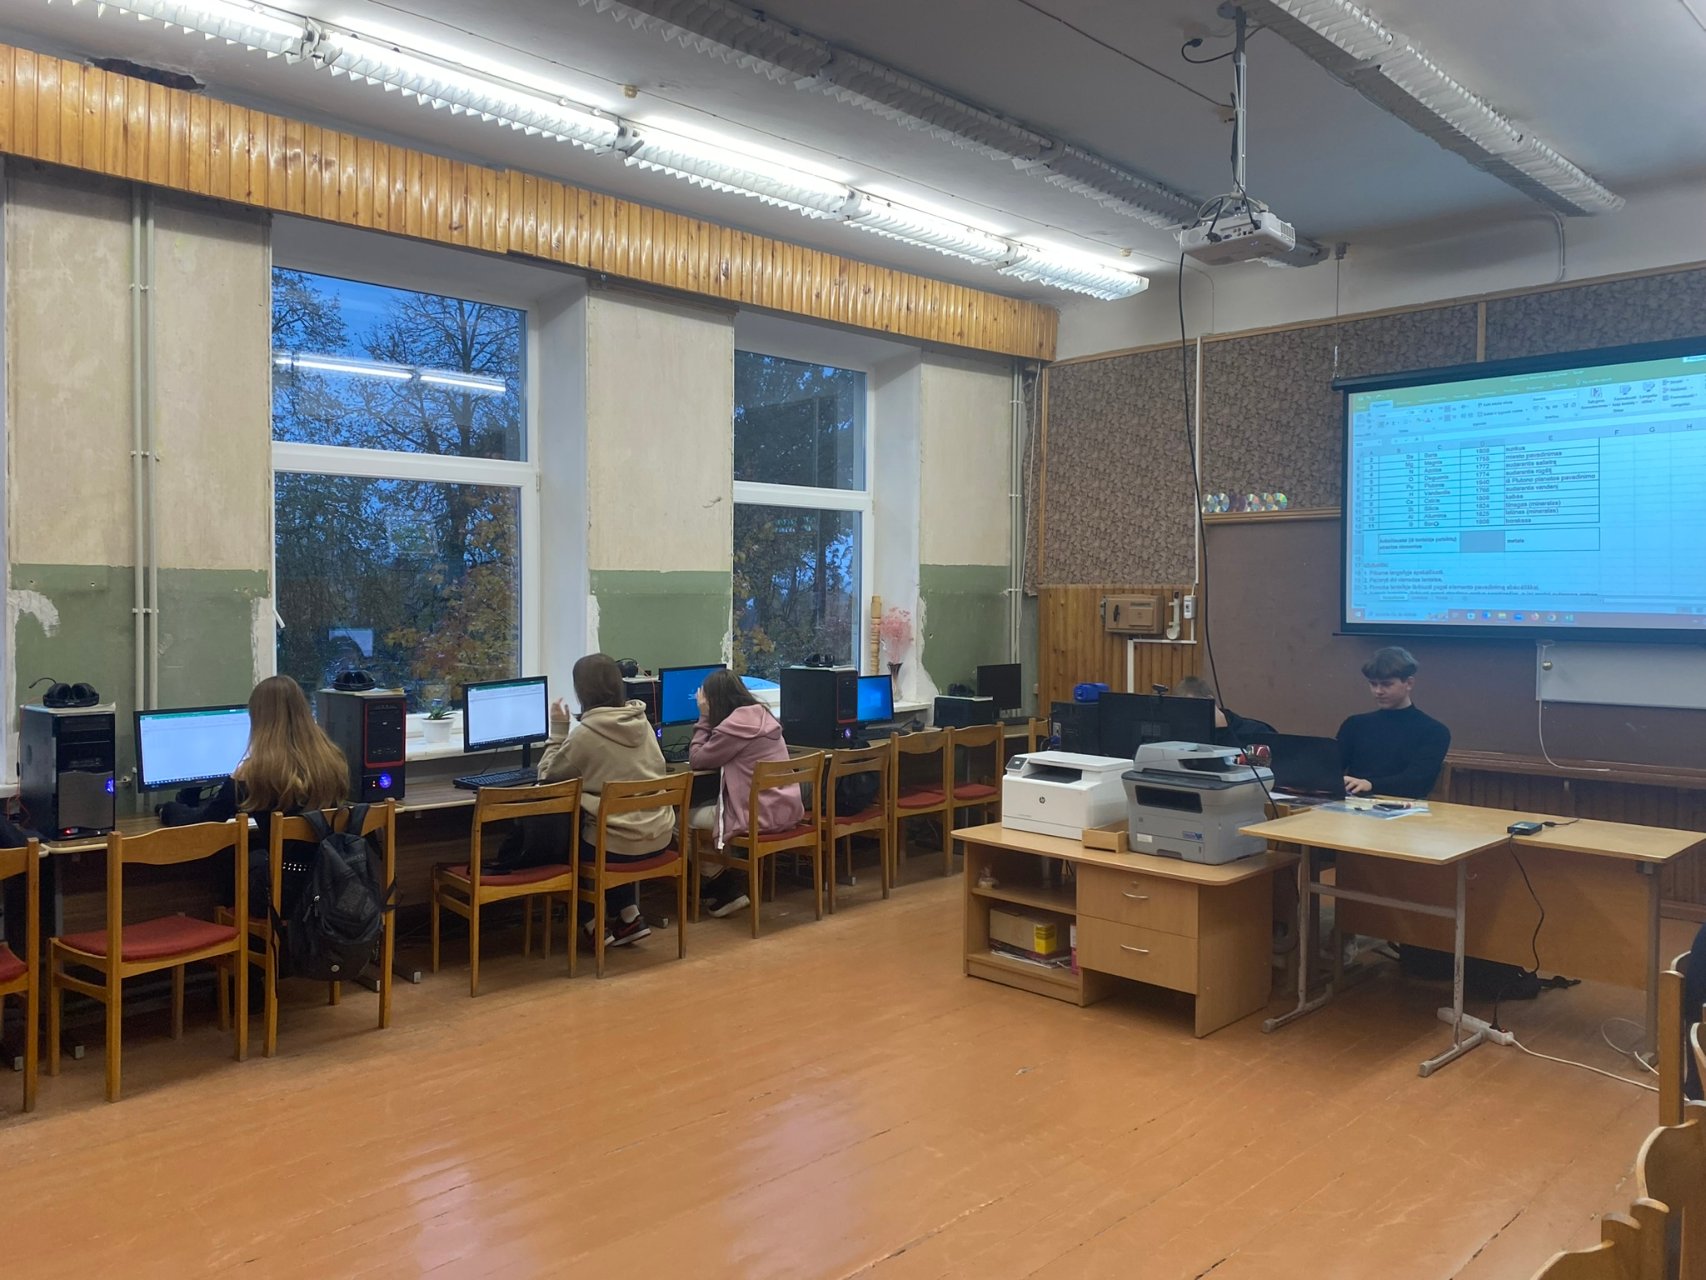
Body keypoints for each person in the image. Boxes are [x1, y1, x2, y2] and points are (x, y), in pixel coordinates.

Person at [537, 653, 674, 948]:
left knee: (560, 843)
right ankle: (629, 916)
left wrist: (557, 730)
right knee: (606, 828)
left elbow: (547, 778)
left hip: (617, 846)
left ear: (581, 692)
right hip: (659, 836)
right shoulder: (644, 725)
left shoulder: (585, 735)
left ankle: (592, 923)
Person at [222, 674, 352, 916]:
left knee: (232, 858)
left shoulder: (252, 772)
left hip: (285, 894)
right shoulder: (332, 761)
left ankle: (239, 935)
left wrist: (168, 810)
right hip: (333, 883)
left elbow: (208, 818)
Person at [688, 669, 804, 918]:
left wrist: (704, 718)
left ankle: (722, 887)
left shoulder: (732, 729)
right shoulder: (764, 717)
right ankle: (719, 883)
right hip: (785, 810)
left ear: (714, 701)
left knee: (681, 819)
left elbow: (697, 759)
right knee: (710, 809)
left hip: (757, 817)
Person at [1336, 646, 1450, 799]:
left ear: (1409, 683)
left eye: (1387, 684)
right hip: (1352, 804)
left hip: (1404, 806)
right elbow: (1332, 769)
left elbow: (1417, 780)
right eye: (1373, 684)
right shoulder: (1354, 725)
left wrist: (1371, 784)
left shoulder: (1434, 731)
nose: (1378, 691)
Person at [1171, 675, 1274, 747]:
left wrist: (1223, 729)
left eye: (1192, 707)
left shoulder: (1256, 732)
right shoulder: (1182, 738)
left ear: (1209, 701)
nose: (1189, 716)